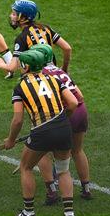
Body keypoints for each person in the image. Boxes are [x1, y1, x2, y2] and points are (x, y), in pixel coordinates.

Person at [3, 49, 78, 216]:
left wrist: (11, 140)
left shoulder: (20, 86)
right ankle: (69, 213)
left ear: (26, 66)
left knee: (26, 167)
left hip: (41, 132)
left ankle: (28, 212)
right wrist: (61, 119)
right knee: (64, 170)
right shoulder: (54, 79)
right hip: (63, 128)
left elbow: (18, 120)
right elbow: (73, 103)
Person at [33, 44, 92, 200]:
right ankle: (86, 189)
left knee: (42, 152)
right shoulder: (59, 70)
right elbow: (79, 95)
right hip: (80, 110)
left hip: (66, 112)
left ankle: (52, 191)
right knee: (77, 150)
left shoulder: (40, 75)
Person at [0, 0, 72, 75]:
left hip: (36, 78)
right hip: (54, 76)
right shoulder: (46, 28)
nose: (10, 16)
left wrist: (1, 64)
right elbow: (67, 48)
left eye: (14, 14)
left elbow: (12, 67)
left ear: (23, 18)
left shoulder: (22, 38)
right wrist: (64, 68)